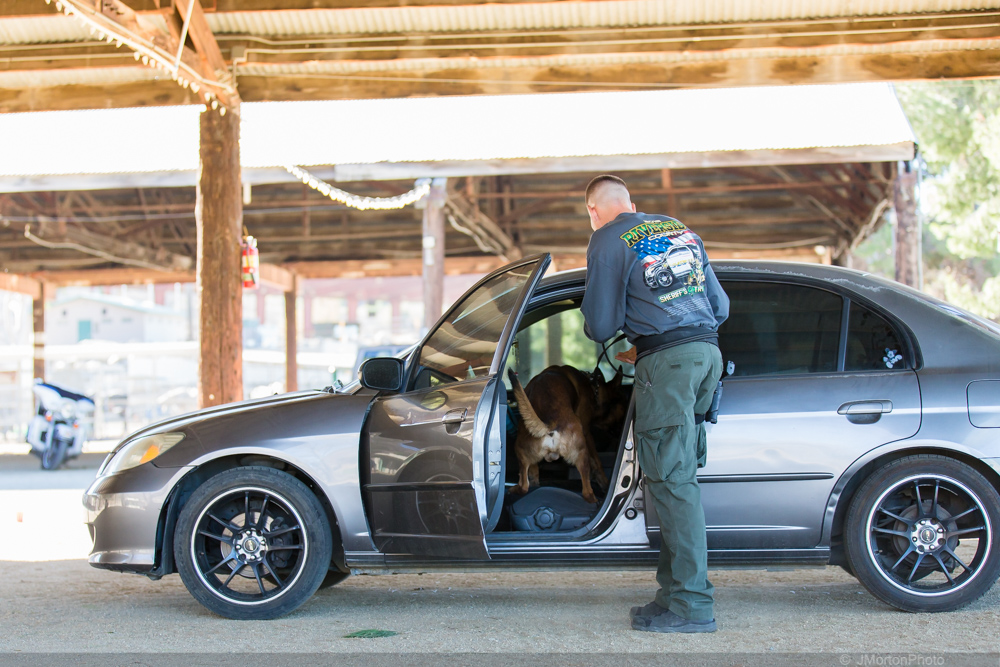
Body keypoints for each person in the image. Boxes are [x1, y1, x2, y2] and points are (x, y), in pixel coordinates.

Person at [580, 174, 729, 634]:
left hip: (669, 364)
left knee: (673, 483)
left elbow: (600, 326)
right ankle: (671, 596)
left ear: (592, 211)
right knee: (673, 479)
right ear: (631, 202)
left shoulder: (607, 238)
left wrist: (640, 335)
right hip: (707, 356)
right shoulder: (677, 228)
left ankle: (692, 605)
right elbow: (719, 306)